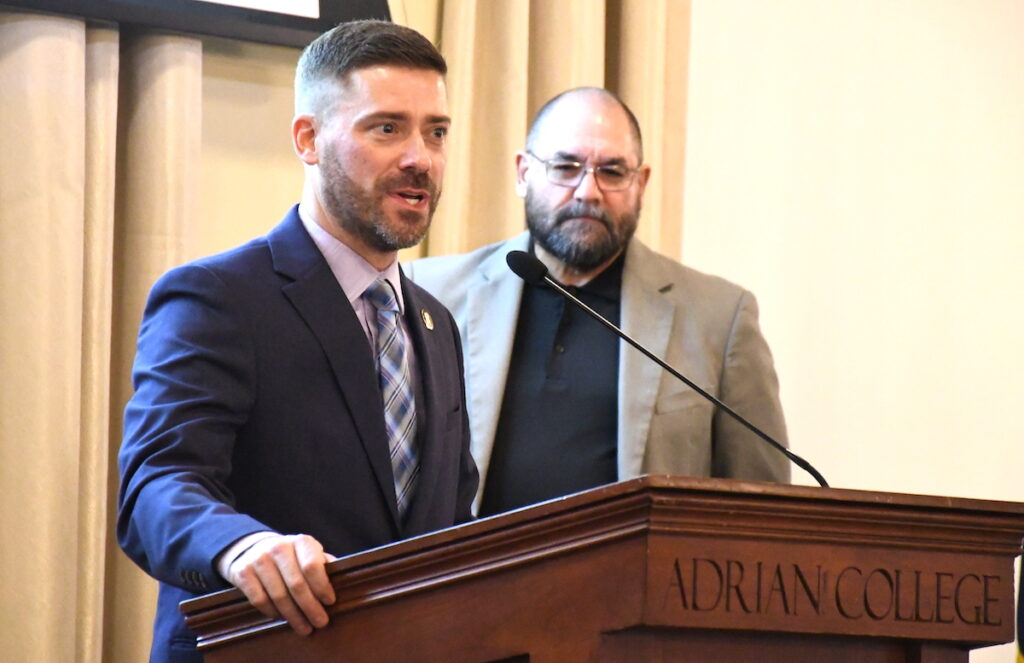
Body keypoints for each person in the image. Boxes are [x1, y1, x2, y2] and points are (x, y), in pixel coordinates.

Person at [117, 20, 478, 663]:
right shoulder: (217, 298)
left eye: (436, 131)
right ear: (308, 139)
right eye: (387, 127)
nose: (420, 157)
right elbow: (156, 487)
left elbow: (449, 522)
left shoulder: (434, 324)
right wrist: (243, 547)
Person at [406, 87, 788, 517]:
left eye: (612, 171)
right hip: (472, 579)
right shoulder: (430, 294)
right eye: (566, 167)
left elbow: (763, 511)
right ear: (523, 173)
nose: (588, 191)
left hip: (638, 583)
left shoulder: (720, 318)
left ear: (641, 184)